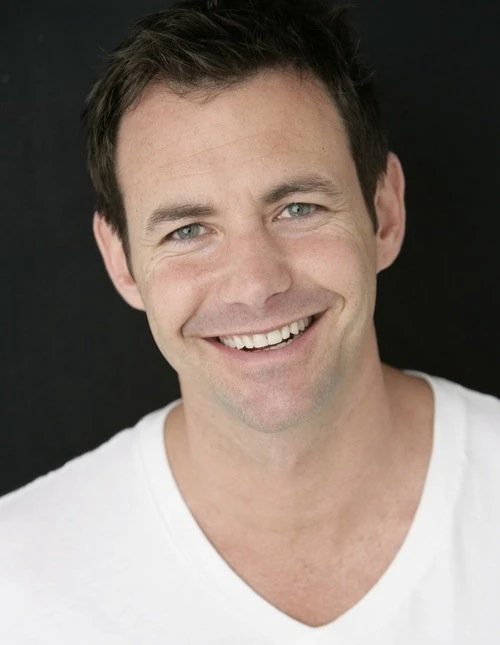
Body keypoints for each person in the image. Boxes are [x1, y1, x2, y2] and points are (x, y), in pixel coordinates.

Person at [1, 0, 499, 642]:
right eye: (188, 230)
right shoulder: (19, 582)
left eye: (298, 208)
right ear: (121, 262)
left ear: (385, 213)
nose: (256, 285)